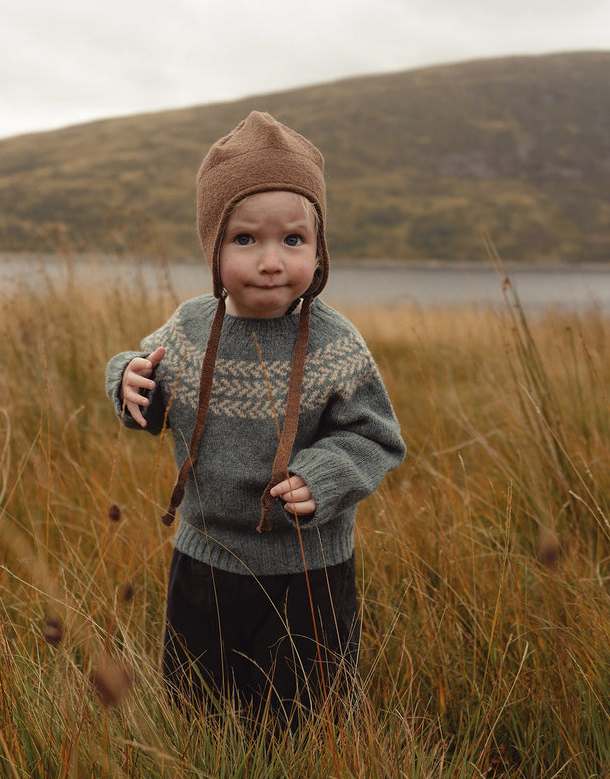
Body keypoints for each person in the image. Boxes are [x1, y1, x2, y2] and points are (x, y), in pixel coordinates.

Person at [105, 111, 405, 726]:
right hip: (205, 557)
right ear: (213, 247)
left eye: (292, 241)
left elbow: (376, 436)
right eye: (246, 240)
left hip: (310, 568)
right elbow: (147, 387)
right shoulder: (189, 327)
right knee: (199, 707)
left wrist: (324, 475)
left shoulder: (333, 341)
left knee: (304, 716)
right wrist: (127, 379)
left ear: (318, 250)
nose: (271, 261)